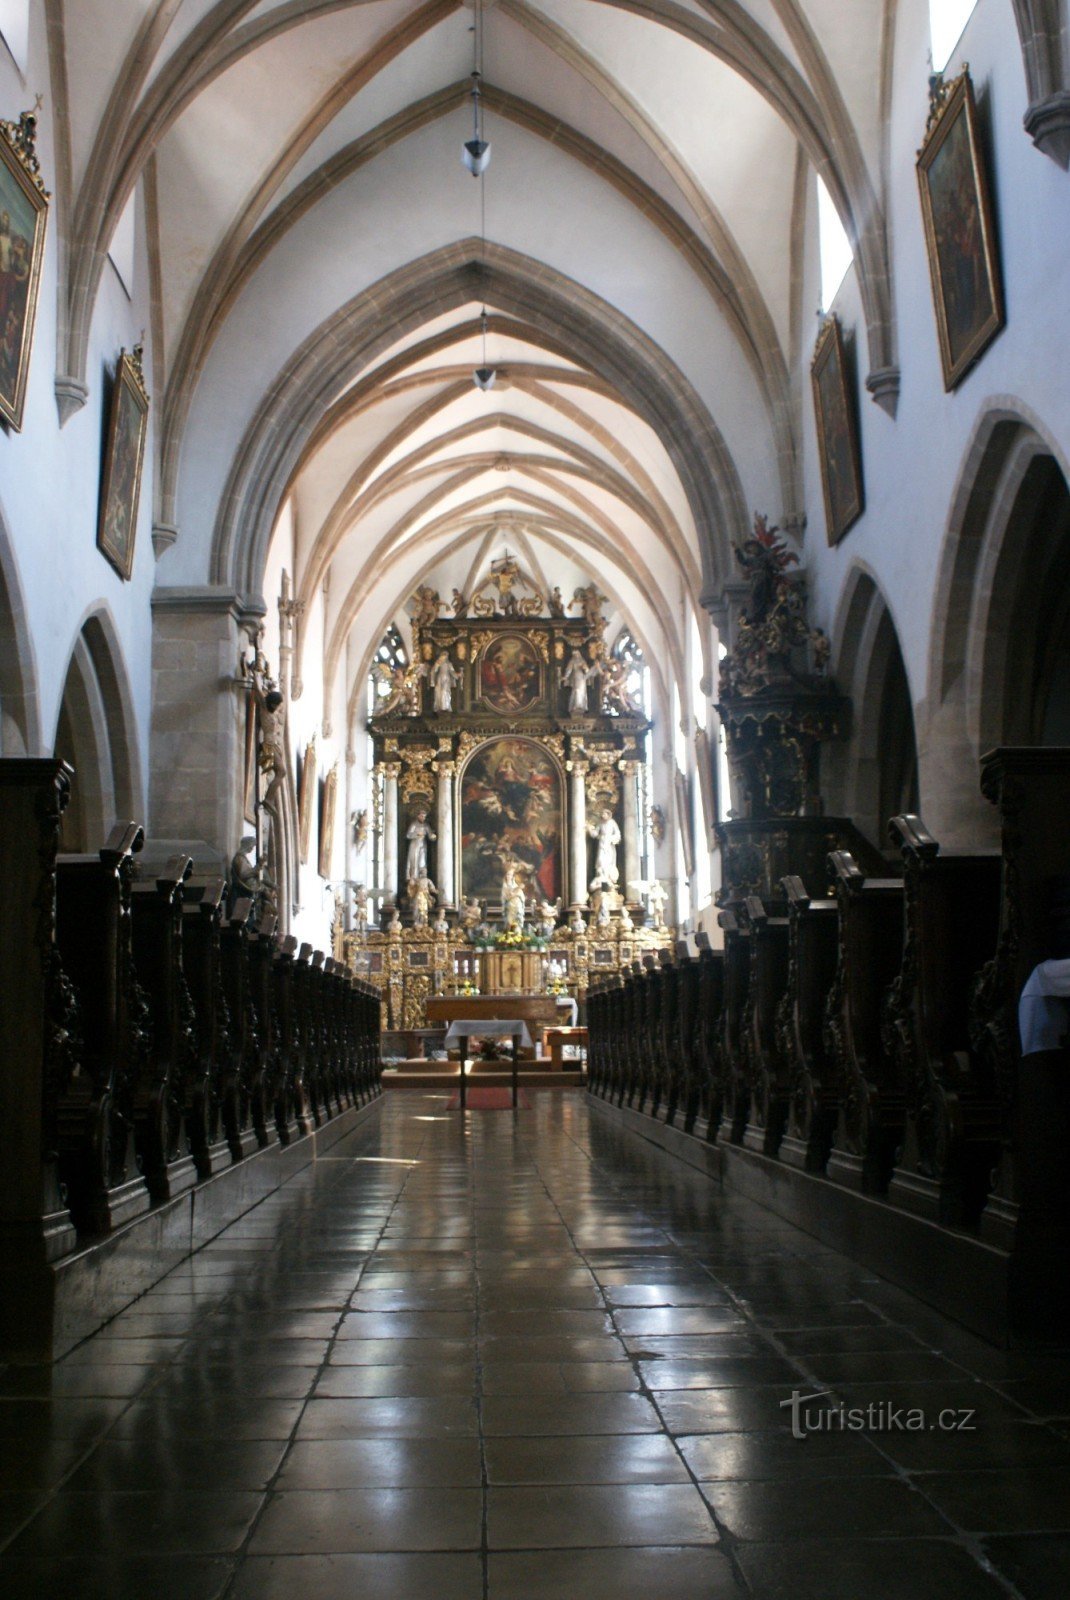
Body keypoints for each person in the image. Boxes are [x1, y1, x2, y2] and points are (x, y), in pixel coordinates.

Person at [589, 807, 621, 887]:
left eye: (604, 814)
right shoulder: (600, 823)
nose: (602, 815)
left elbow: (618, 834)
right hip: (602, 843)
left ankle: (607, 878)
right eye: (602, 814)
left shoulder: (612, 823)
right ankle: (601, 876)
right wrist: (590, 829)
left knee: (608, 861)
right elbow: (595, 834)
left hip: (609, 844)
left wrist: (612, 838)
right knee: (600, 860)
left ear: (608, 814)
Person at [405, 808, 436, 880]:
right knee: (414, 861)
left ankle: (422, 878)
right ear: (418, 816)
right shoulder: (414, 825)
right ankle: (413, 879)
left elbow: (430, 834)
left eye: (424, 816)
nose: (423, 818)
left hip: (422, 845)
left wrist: (432, 836)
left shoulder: (426, 825)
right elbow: (408, 835)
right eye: (422, 816)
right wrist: (417, 834)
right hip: (414, 845)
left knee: (422, 861)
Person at [561, 648, 593, 715]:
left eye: (576, 653)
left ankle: (582, 706)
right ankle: (575, 706)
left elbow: (587, 671)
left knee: (582, 692)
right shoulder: (572, 661)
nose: (576, 655)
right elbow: (568, 670)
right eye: (574, 654)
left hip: (582, 678)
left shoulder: (582, 661)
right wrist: (565, 677)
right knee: (576, 691)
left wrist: (585, 668)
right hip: (575, 678)